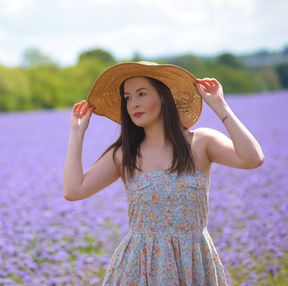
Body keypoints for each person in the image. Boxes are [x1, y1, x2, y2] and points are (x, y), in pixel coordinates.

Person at [63, 61, 264, 285]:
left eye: (141, 94)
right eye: (128, 97)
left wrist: (220, 106)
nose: (133, 104)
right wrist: (77, 133)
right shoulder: (125, 154)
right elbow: (73, 190)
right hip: (138, 267)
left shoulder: (201, 142)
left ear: (163, 97)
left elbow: (253, 158)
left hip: (193, 262)